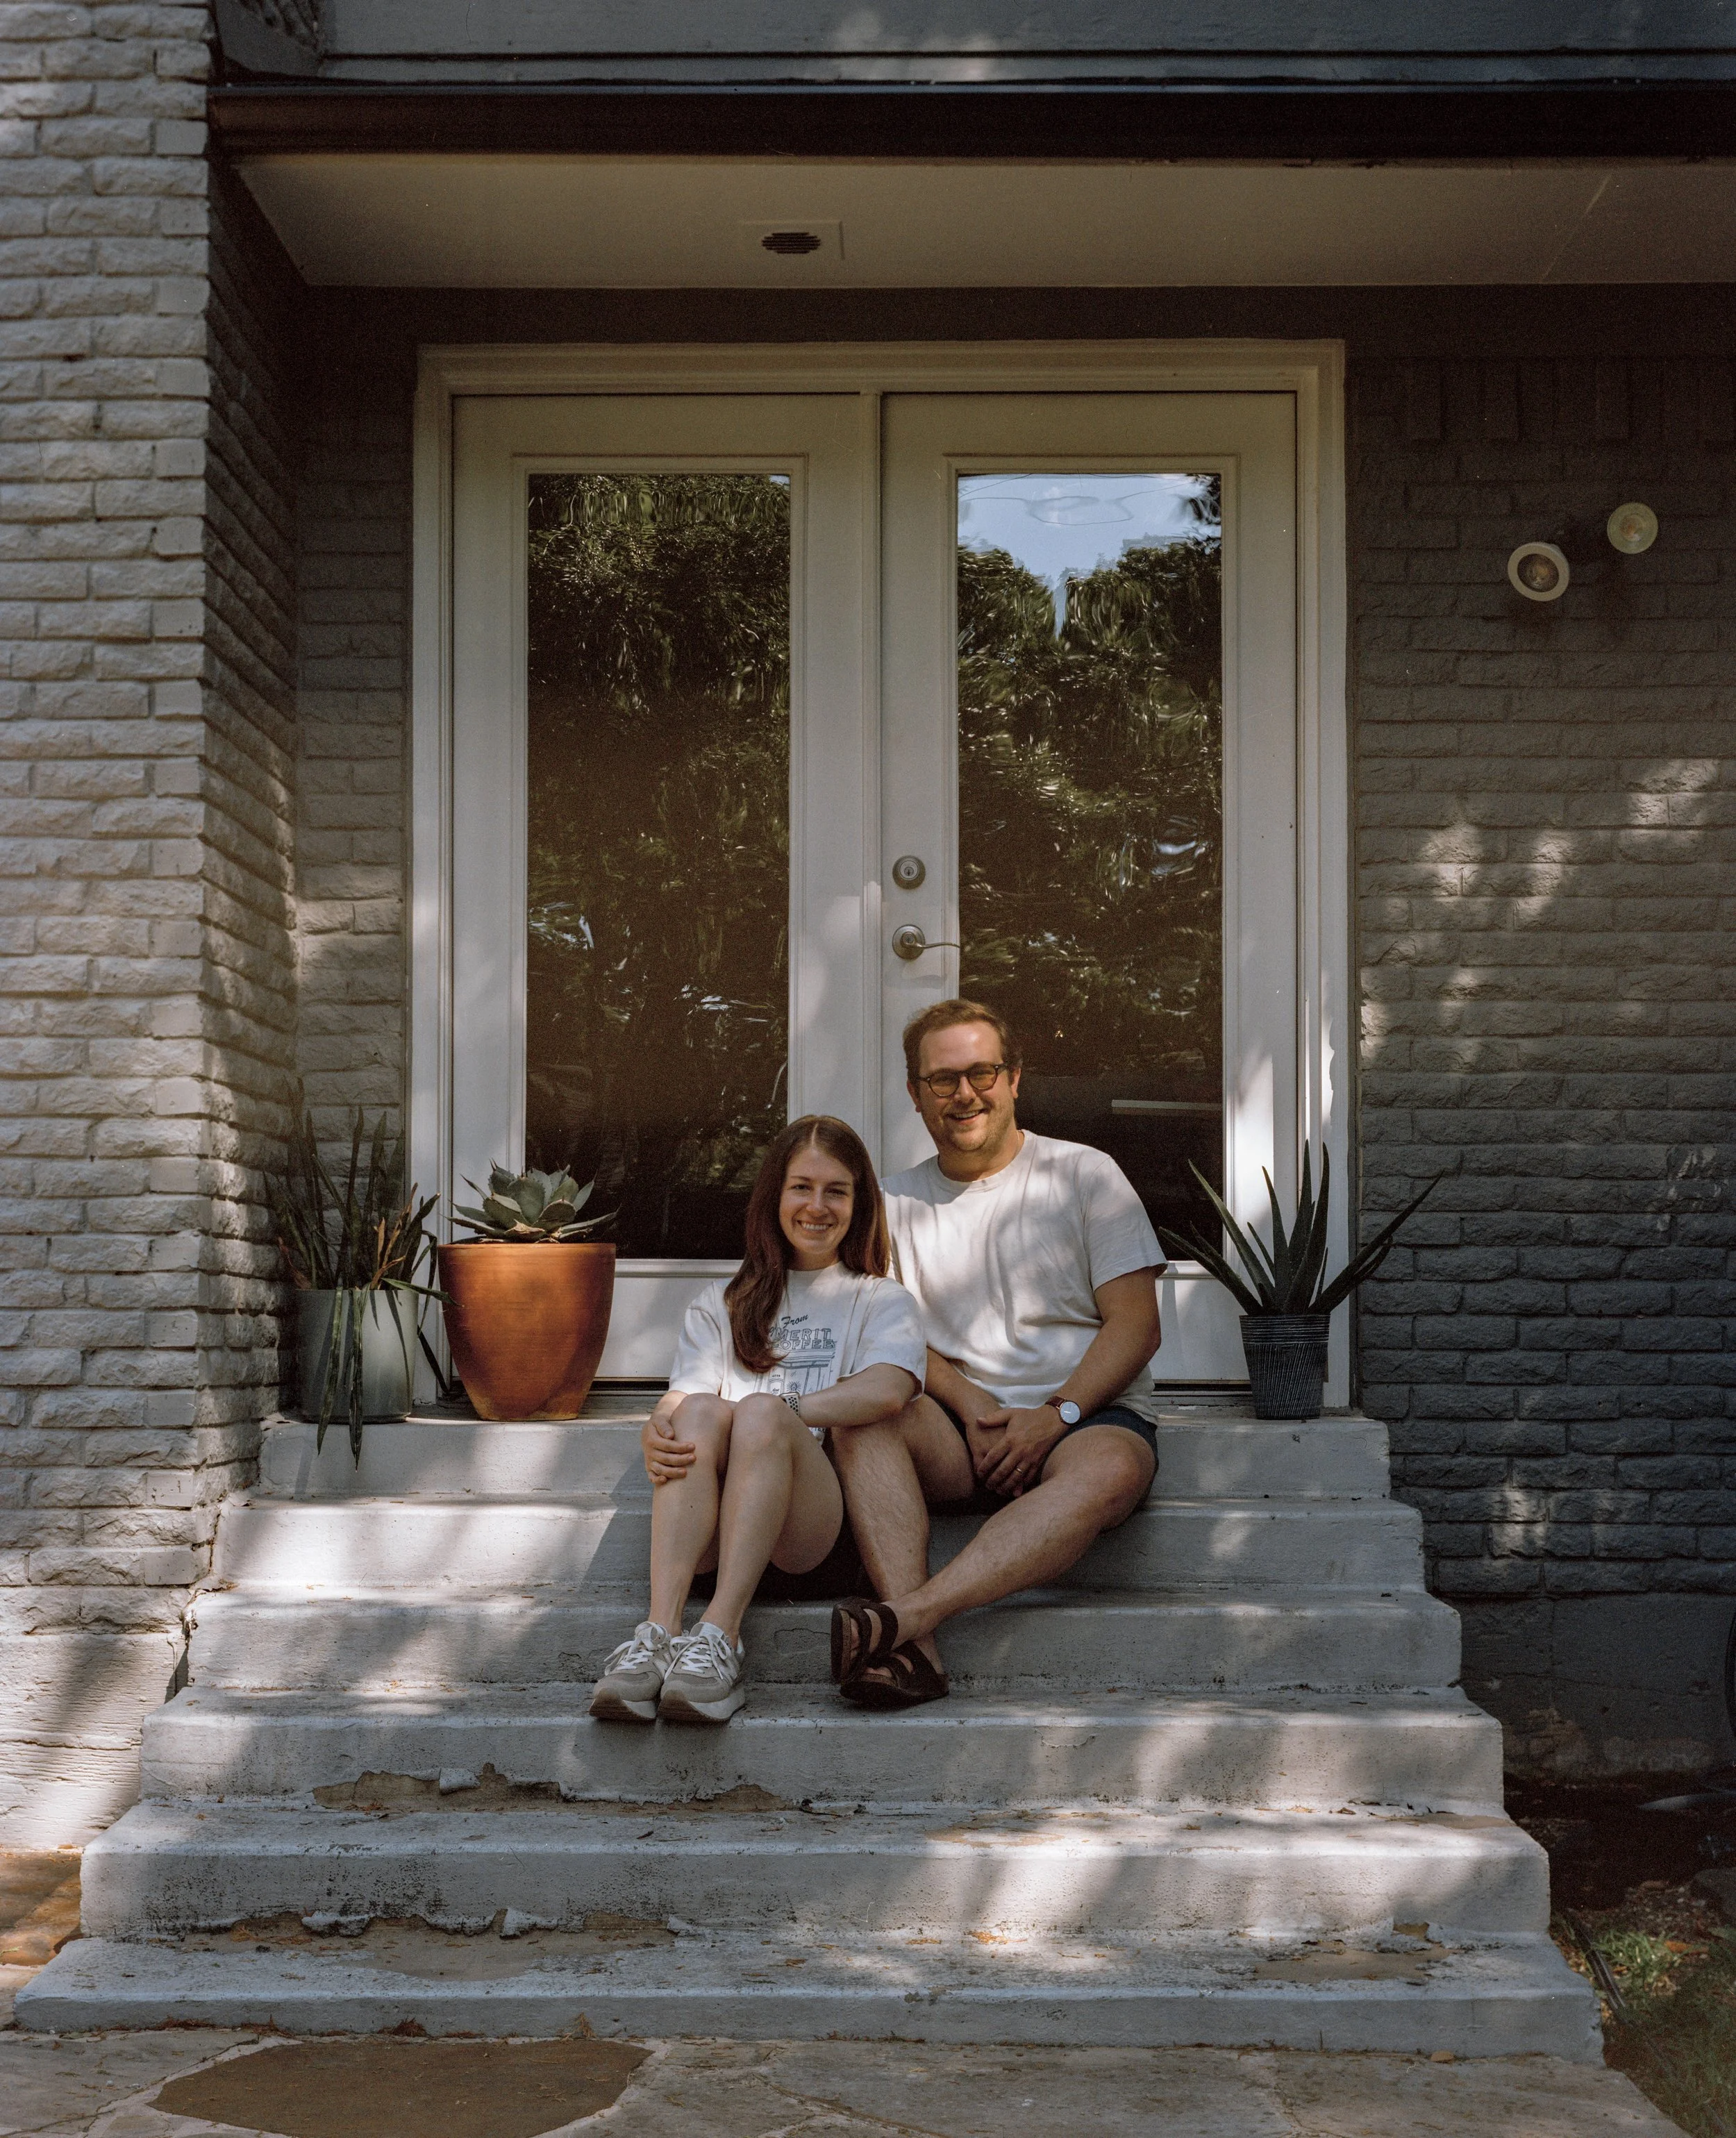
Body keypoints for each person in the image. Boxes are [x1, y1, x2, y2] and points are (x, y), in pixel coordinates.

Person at [828, 999, 1165, 1708]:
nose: (964, 1093)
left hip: (1081, 1418)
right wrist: (971, 1401)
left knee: (1110, 1470)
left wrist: (1057, 1410)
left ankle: (905, 1622)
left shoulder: (1085, 1175)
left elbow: (1135, 1325)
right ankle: (914, 1655)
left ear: (1014, 1077)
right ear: (916, 1094)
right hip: (956, 1430)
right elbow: (883, 1334)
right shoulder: (889, 1203)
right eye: (942, 1079)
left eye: (981, 1072)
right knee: (862, 1416)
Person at [590, 1114, 925, 1726]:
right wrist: (655, 1427)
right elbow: (683, 1396)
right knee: (695, 1410)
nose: (816, 1206)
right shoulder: (722, 1301)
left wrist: (779, 1411)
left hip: (811, 1534)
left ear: (861, 1203)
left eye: (836, 1190)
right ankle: (659, 1635)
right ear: (774, 1194)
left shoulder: (880, 1299)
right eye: (801, 1186)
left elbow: (887, 1392)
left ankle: (720, 1638)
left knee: (763, 1413)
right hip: (713, 1533)